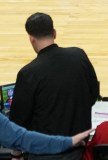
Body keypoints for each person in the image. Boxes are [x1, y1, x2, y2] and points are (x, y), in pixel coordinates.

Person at [9, 12, 100, 160]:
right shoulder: (79, 56)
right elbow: (94, 94)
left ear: (31, 40)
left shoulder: (28, 73)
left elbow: (18, 122)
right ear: (54, 33)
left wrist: (16, 155)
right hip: (79, 152)